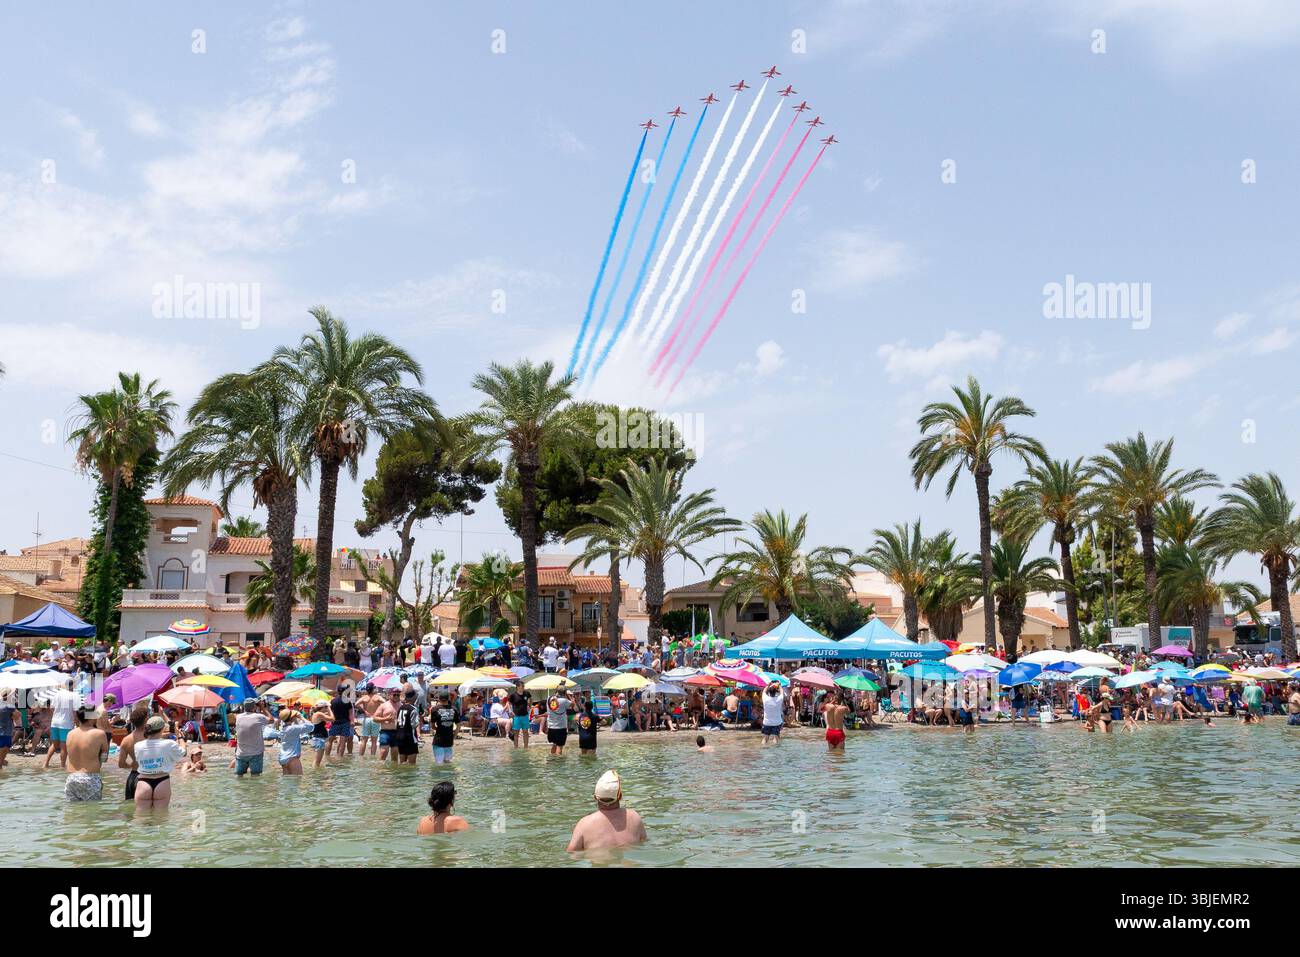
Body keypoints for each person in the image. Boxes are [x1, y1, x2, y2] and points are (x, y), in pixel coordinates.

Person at [565, 770, 647, 852]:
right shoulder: (635, 817)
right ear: (620, 796)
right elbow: (644, 842)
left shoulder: (584, 824)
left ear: (595, 797)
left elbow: (572, 854)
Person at [133, 716, 187, 807]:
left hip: (143, 781)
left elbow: (153, 741)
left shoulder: (138, 746)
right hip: (162, 780)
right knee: (161, 817)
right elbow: (184, 753)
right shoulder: (169, 744)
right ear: (162, 729)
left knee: (141, 817)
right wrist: (180, 736)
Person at [64, 706, 109, 801]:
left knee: (73, 813)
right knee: (93, 812)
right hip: (90, 777)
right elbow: (104, 758)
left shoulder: (70, 734)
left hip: (72, 778)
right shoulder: (99, 733)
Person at [44, 678, 80, 770]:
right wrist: (78, 724)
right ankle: (63, 766)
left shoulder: (58, 694)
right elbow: (75, 712)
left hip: (55, 722)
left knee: (54, 744)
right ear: (72, 686)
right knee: (64, 746)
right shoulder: (74, 695)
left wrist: (57, 714)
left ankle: (45, 763)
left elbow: (52, 708)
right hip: (66, 723)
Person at [117, 702, 150, 801]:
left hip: (132, 777)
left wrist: (132, 765)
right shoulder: (151, 737)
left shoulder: (126, 740)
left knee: (130, 813)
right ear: (146, 720)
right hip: (146, 778)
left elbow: (121, 764)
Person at [233, 699, 271, 776]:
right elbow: (272, 720)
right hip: (256, 753)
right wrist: (263, 708)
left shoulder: (238, 717)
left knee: (239, 777)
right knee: (255, 777)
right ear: (254, 707)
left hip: (241, 754)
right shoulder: (259, 717)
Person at [276, 710, 312, 775]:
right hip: (292, 758)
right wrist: (301, 717)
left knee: (287, 782)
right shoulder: (293, 729)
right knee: (297, 781)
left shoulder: (282, 729)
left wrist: (294, 719)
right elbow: (311, 726)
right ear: (291, 718)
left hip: (283, 758)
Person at [429, 694, 458, 765]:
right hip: (449, 740)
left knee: (439, 764)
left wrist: (438, 729)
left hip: (438, 740)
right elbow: (459, 725)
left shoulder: (434, 709)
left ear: (439, 699)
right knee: (448, 764)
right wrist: (454, 736)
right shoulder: (454, 709)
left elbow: (432, 726)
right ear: (448, 699)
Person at [326, 684, 354, 757]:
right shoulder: (347, 701)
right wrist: (352, 721)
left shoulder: (333, 701)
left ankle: (327, 755)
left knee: (330, 740)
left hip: (335, 722)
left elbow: (330, 711)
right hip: (345, 723)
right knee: (343, 741)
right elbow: (350, 713)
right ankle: (340, 757)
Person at [394, 690, 420, 764]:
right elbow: (414, 724)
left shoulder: (401, 708)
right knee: (412, 765)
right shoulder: (413, 709)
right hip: (409, 737)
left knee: (402, 762)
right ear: (413, 698)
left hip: (399, 736)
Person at [375, 688, 400, 762]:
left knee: (395, 755)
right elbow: (375, 718)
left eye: (398, 695)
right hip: (385, 732)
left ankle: (394, 772)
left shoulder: (401, 705)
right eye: (394, 694)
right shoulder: (384, 705)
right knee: (383, 752)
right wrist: (385, 719)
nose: (396, 696)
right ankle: (380, 771)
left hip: (397, 732)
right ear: (389, 695)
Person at [356, 685, 381, 757]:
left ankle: (361, 757)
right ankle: (372, 757)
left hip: (366, 719)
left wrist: (364, 710)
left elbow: (356, 704)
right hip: (375, 718)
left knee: (364, 740)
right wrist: (379, 710)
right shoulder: (377, 697)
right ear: (373, 689)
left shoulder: (364, 698)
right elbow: (385, 702)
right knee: (374, 741)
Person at [508, 682, 531, 748]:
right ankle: (516, 747)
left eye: (523, 687)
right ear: (517, 687)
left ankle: (526, 747)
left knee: (525, 732)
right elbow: (508, 703)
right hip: (516, 716)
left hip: (525, 715)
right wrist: (510, 711)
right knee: (516, 732)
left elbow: (531, 699)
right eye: (521, 687)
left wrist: (529, 705)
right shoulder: (513, 695)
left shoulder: (526, 693)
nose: (523, 688)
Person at [0, 688, 16, 769]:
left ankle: (2, 762)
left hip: (4, 730)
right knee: (5, 748)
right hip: (6, 730)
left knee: (3, 748)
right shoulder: (9, 706)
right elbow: (17, 716)